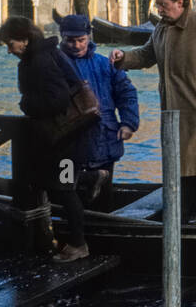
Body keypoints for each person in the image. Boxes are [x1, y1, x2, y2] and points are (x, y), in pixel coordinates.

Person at [110, 0, 196, 225]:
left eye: (163, 5)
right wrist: (123, 57)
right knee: (185, 168)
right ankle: (192, 217)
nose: (160, 10)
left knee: (193, 169)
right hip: (173, 112)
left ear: (180, 2)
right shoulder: (161, 29)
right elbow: (146, 55)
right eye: (159, 5)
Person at [0, 16, 91, 263]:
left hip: (68, 138)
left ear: (25, 40)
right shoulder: (44, 55)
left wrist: (26, 104)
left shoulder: (40, 61)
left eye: (10, 43)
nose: (9, 50)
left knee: (64, 189)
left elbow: (56, 99)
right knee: (56, 186)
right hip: (67, 136)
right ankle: (53, 239)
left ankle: (78, 245)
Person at [59, 14, 139, 210]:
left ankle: (101, 235)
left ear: (89, 37)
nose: (76, 46)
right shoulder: (54, 65)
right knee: (65, 191)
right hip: (67, 143)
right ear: (62, 37)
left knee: (103, 199)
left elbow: (127, 93)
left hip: (105, 140)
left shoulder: (105, 64)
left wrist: (129, 123)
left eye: (81, 40)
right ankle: (74, 236)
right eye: (70, 41)